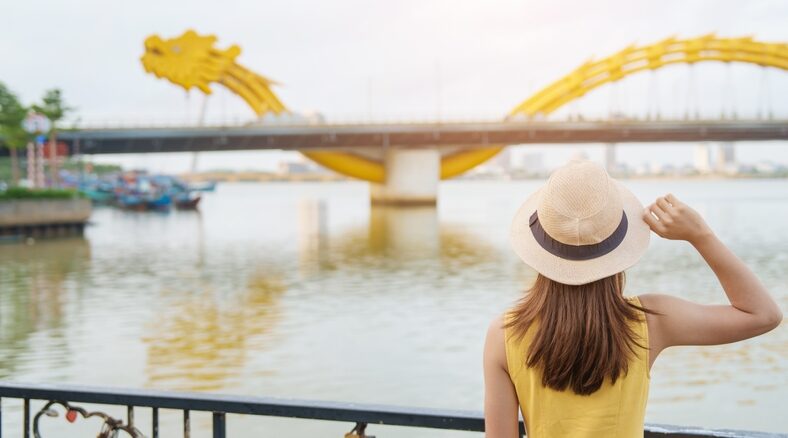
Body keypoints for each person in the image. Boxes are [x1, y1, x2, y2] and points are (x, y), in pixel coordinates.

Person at [483, 160, 782, 438]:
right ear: (617, 246)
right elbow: (762, 314)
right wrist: (700, 235)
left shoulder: (504, 335)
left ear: (541, 247)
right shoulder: (649, 321)